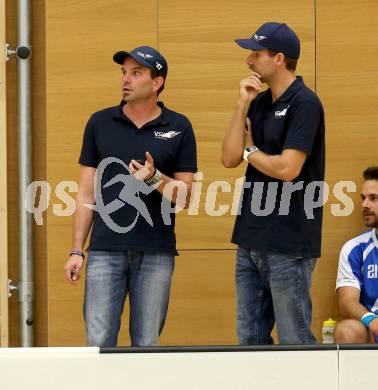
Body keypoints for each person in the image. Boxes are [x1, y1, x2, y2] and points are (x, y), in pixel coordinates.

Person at [63, 45, 197, 347]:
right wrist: (76, 250)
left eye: (136, 73)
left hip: (156, 254)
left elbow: (185, 197)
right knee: (98, 343)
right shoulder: (99, 123)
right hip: (104, 251)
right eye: (124, 72)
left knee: (146, 345)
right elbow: (86, 191)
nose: (126, 79)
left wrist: (153, 177)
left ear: (157, 82)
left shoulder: (179, 127)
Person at [222, 22, 325, 344]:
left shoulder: (305, 103)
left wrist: (252, 151)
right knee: (249, 340)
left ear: (279, 58)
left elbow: (288, 168)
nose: (249, 61)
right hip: (251, 237)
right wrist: (243, 104)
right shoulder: (259, 102)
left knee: (294, 338)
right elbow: (228, 158)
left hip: (289, 240)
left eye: (256, 53)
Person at [335, 167, 378, 344]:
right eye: (363, 198)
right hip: (372, 328)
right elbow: (347, 301)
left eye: (373, 198)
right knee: (347, 330)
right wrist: (372, 321)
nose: (364, 205)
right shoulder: (354, 248)